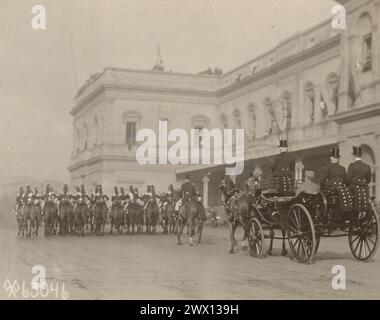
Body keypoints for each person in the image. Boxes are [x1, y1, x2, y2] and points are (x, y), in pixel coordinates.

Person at [320, 148, 353, 213]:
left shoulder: (328, 168)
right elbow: (346, 181)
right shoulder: (343, 168)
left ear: (331, 158)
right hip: (341, 189)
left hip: (331, 190)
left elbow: (322, 181)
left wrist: (321, 188)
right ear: (338, 159)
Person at [346, 146, 372, 212]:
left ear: (354, 156)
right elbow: (368, 180)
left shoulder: (352, 165)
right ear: (361, 156)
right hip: (365, 190)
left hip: (353, 190)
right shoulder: (367, 166)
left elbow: (348, 179)